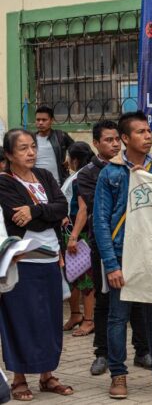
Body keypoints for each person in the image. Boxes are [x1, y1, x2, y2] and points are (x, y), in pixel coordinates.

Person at [93, 111, 152, 399]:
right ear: (125, 138)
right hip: (123, 255)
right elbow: (101, 221)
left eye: (149, 131)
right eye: (140, 132)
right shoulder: (110, 173)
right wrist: (111, 264)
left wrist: (148, 180)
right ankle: (118, 375)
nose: (147, 136)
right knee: (117, 317)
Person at [0, 128, 73, 400]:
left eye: (33, 146)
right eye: (23, 148)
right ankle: (19, 379)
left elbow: (62, 207)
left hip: (51, 259)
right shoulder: (4, 182)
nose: (31, 152)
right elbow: (18, 217)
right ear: (9, 154)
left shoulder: (44, 176)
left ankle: (47, 375)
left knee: (50, 319)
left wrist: (34, 210)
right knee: (21, 319)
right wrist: (46, 213)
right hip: (22, 262)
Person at [75, 120, 152, 376]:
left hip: (137, 243)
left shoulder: (141, 167)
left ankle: (142, 351)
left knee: (138, 300)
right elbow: (100, 210)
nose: (115, 144)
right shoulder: (88, 174)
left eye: (117, 139)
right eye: (108, 140)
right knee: (105, 300)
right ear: (96, 143)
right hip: (104, 246)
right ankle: (102, 353)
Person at [62, 142, 97, 337]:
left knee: (85, 278)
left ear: (74, 159)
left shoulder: (81, 178)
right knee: (72, 276)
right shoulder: (75, 176)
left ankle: (89, 319)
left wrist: (74, 236)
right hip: (70, 230)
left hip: (80, 233)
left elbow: (83, 209)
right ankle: (75, 315)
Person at [34, 105, 74, 185]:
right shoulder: (30, 138)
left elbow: (77, 148)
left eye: (44, 120)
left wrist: (70, 157)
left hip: (58, 184)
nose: (40, 123)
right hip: (37, 185)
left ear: (52, 120)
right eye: (38, 120)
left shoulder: (60, 136)